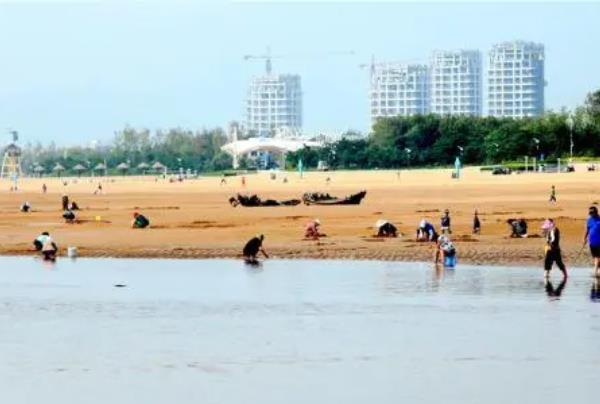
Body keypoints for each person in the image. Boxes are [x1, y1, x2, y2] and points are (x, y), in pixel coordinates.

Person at [583, 205, 600, 277]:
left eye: (592, 213)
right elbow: (587, 230)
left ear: (596, 212)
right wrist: (584, 238)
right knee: (595, 257)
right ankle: (598, 271)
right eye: (590, 213)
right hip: (592, 242)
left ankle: (595, 271)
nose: (591, 214)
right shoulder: (589, 220)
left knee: (598, 257)